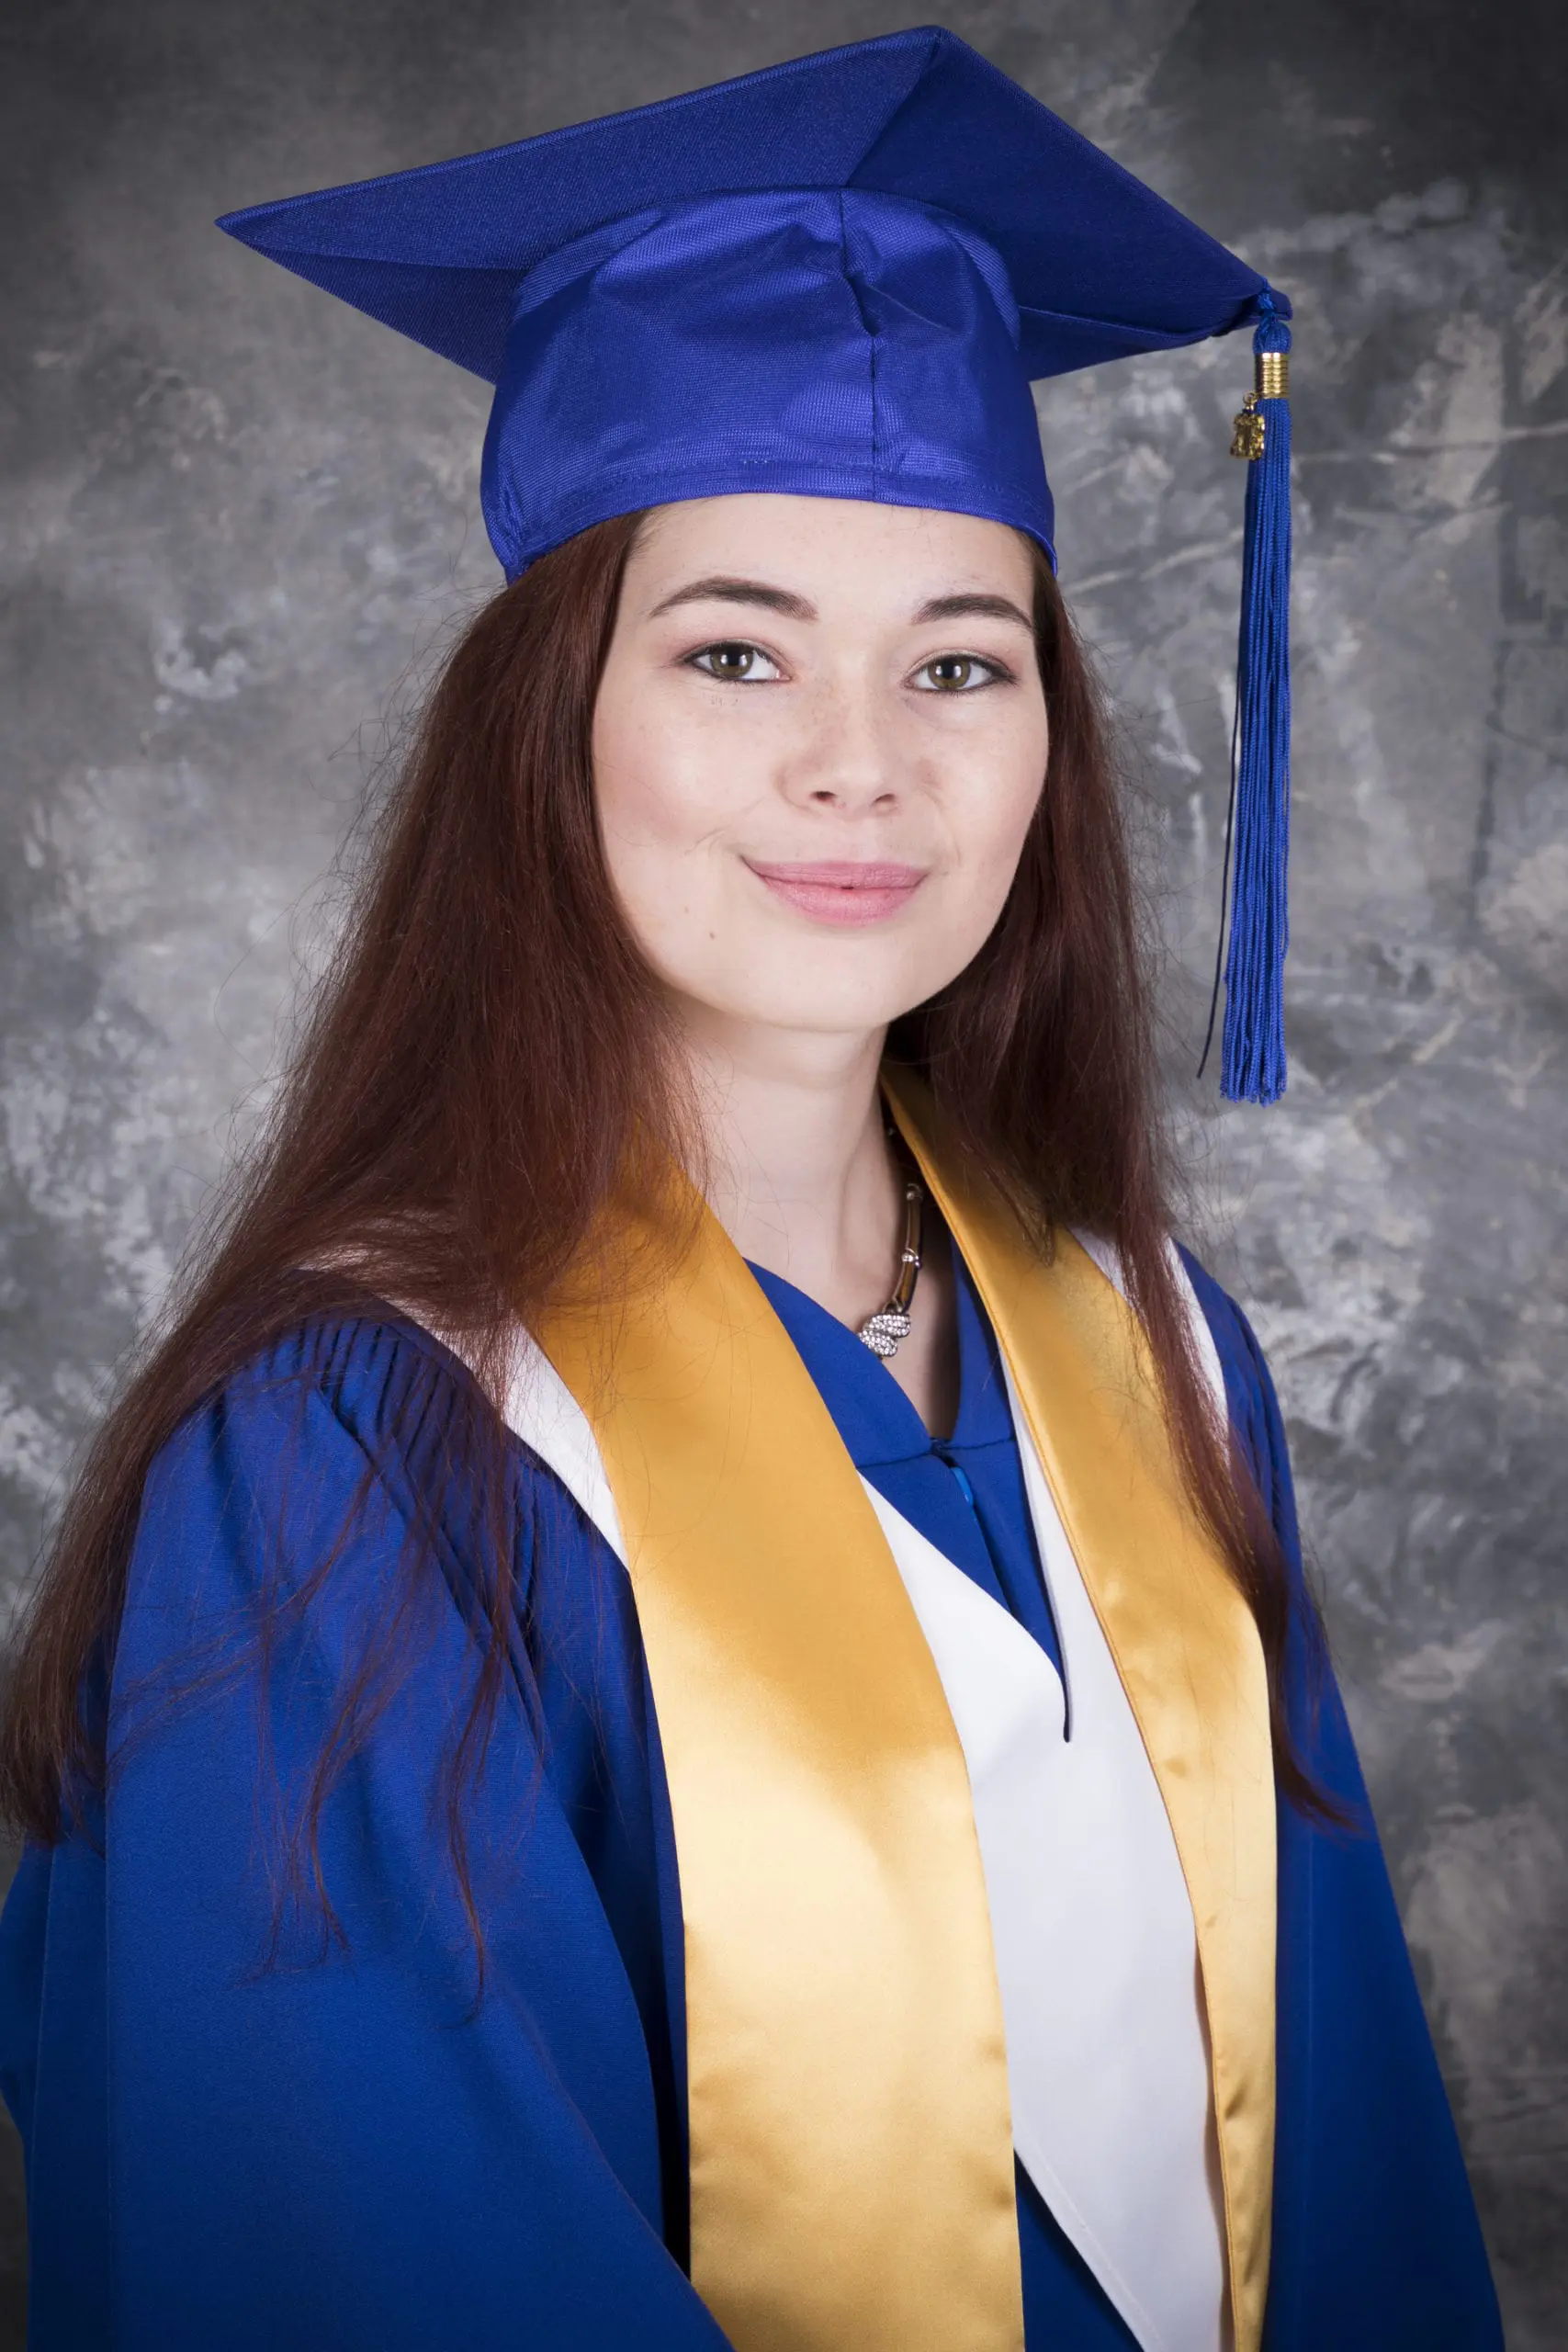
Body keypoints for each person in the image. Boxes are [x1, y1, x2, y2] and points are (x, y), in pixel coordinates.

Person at [0, 27, 1500, 2352]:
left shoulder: (1153, 1342)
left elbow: (1352, 2155)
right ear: (550, 725)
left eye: (960, 664)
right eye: (732, 649)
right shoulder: (359, 1456)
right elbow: (361, 2247)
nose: (862, 766)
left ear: (1044, 749)